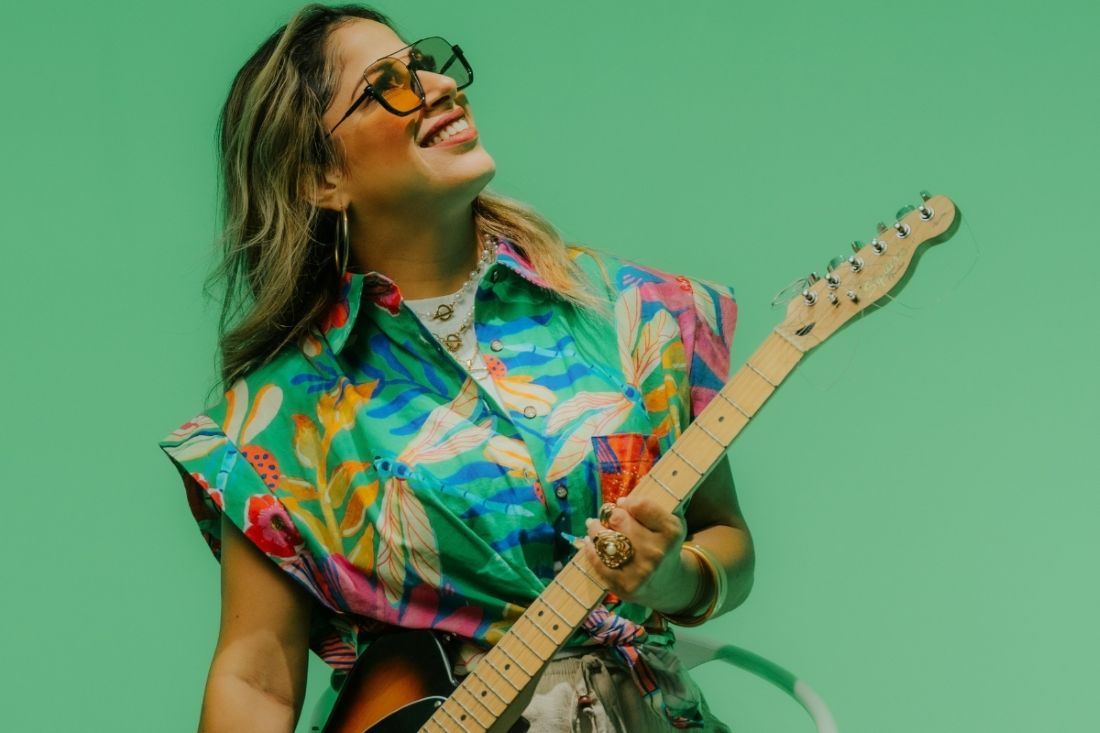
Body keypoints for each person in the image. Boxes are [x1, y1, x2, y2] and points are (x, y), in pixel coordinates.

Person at [157, 3, 755, 731]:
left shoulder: (636, 311)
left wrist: (675, 579)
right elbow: (255, 679)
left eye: (424, 64)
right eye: (387, 85)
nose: (439, 85)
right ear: (321, 178)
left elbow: (727, 537)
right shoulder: (275, 420)